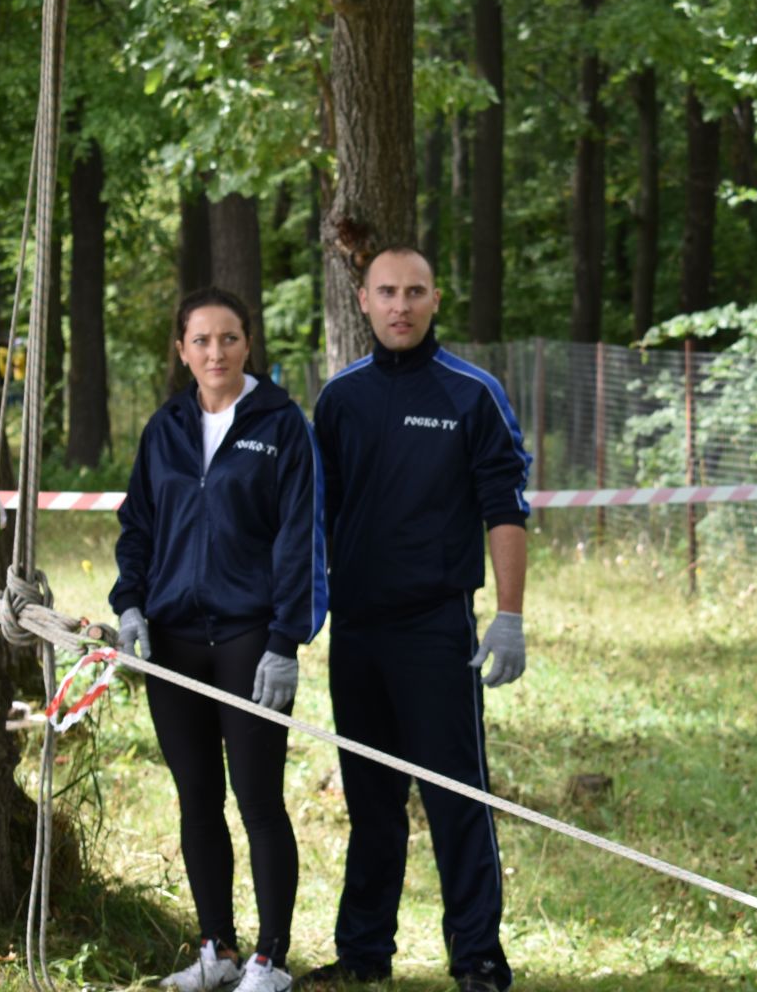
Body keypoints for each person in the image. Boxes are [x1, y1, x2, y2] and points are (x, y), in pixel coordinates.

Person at [297, 245, 532, 992]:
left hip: (437, 630)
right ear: (362, 300)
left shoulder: (473, 393)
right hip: (357, 630)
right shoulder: (338, 399)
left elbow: (506, 506)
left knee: (456, 797)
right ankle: (365, 954)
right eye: (387, 292)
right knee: (370, 801)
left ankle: (479, 959)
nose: (401, 305)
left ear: (436, 300)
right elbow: (309, 517)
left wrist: (510, 616)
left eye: (415, 292)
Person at [112, 287, 328, 992]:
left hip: (248, 635)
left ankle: (270, 959)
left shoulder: (280, 424)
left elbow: (301, 537)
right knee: (196, 795)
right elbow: (139, 526)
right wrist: (131, 605)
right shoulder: (165, 428)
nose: (215, 352)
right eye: (201, 340)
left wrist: (284, 640)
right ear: (181, 350)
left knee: (258, 797)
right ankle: (217, 950)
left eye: (228, 339)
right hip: (172, 638)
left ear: (247, 345)